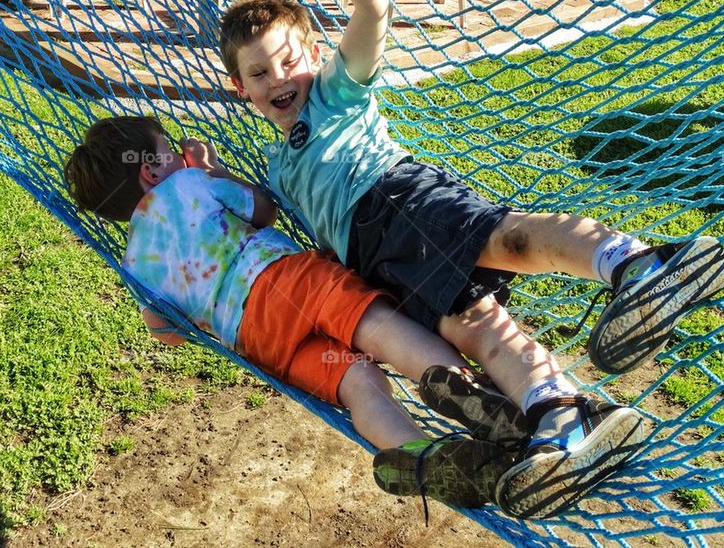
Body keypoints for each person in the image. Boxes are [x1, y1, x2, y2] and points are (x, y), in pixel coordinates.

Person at [217, 0, 724, 519]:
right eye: (261, 73)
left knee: (510, 239)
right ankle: (563, 422)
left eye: (289, 60)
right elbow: (265, 214)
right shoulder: (277, 166)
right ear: (240, 88)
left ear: (313, 56)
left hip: (400, 197)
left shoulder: (334, 92)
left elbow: (373, 7)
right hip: (377, 261)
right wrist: (213, 179)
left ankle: (639, 265)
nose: (280, 79)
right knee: (478, 329)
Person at [64, 115, 527, 511]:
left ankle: (422, 455)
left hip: (254, 339)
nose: (175, 154)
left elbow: (166, 331)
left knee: (358, 382)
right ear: (151, 170)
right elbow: (264, 211)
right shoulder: (188, 183)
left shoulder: (134, 263)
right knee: (377, 328)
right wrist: (214, 169)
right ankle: (470, 395)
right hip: (286, 280)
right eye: (168, 148)